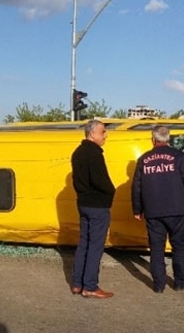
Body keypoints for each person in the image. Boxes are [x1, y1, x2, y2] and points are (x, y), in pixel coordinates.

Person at [131, 125, 184, 293]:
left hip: (154, 211)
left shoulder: (144, 159)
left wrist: (137, 210)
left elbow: (136, 187)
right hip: (177, 210)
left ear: (153, 139)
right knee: (179, 247)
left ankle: (159, 285)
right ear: (168, 138)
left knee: (156, 248)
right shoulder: (178, 157)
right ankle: (180, 282)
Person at [70, 120, 116, 299]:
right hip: (97, 205)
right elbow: (100, 180)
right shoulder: (94, 154)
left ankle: (77, 283)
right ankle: (90, 286)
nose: (105, 135)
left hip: (83, 203)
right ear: (92, 133)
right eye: (103, 132)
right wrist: (111, 191)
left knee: (84, 243)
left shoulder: (78, 152)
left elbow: (77, 180)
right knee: (95, 246)